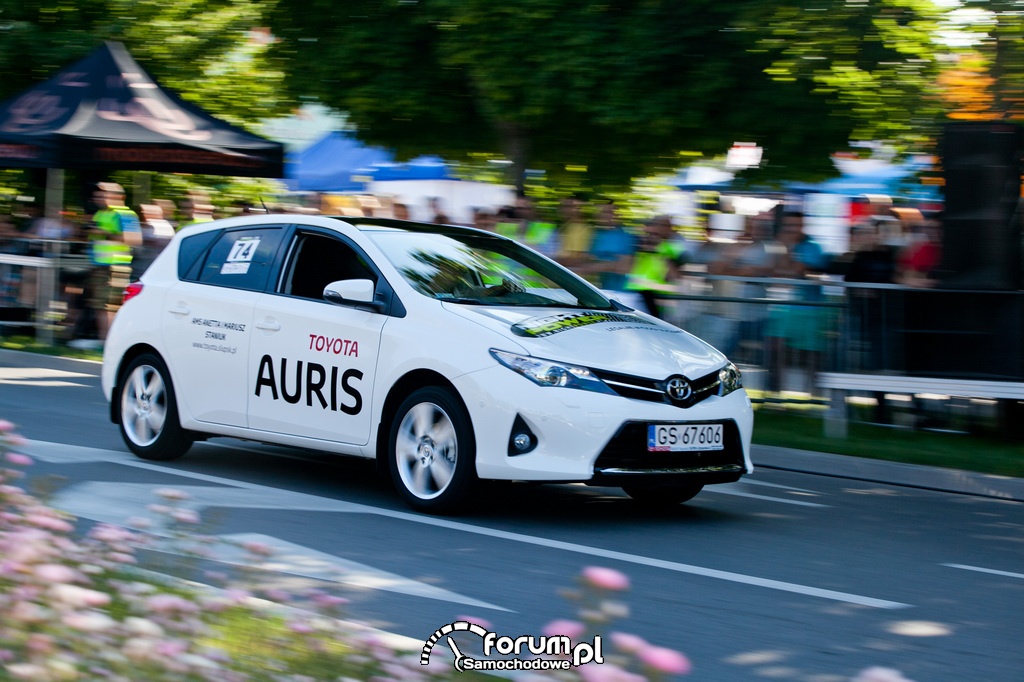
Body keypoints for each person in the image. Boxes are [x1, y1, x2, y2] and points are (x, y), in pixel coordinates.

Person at [87, 182, 142, 341]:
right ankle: (104, 341)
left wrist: (104, 233)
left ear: (119, 197)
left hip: (115, 266)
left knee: (108, 307)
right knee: (100, 306)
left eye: (104, 195)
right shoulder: (100, 213)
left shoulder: (123, 214)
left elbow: (133, 239)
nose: (100, 199)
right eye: (97, 196)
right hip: (99, 265)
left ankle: (109, 343)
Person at [625, 214, 685, 317]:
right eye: (662, 225)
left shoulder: (673, 248)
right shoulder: (638, 243)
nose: (666, 229)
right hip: (636, 293)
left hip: (658, 297)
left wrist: (660, 253)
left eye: (667, 226)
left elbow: (675, 276)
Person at [577, 200, 636, 295]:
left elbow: (623, 267)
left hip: (619, 293)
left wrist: (594, 266)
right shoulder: (595, 235)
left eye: (609, 212)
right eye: (602, 212)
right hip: (597, 293)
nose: (605, 216)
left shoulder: (626, 237)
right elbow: (584, 260)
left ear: (617, 215)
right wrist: (609, 264)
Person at [555, 194, 592, 270]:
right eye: (563, 206)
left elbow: (576, 260)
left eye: (568, 206)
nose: (563, 209)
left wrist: (548, 261)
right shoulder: (565, 226)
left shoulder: (581, 229)